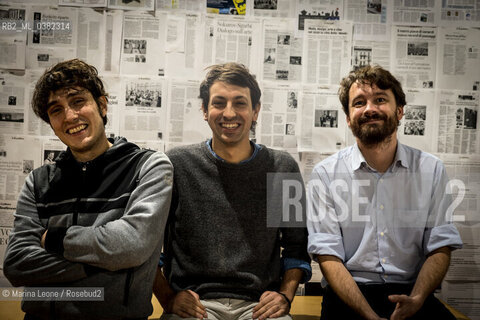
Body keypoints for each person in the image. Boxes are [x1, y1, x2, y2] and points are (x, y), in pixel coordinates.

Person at [3, 59, 173, 320]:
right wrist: (110, 264)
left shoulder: (148, 167)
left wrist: (54, 240)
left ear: (102, 104)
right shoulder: (38, 182)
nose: (70, 116)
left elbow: (132, 245)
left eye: (78, 101)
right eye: (56, 110)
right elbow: (16, 264)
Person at [153, 62, 311, 320]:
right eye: (218, 103)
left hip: (259, 306)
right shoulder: (177, 165)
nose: (229, 113)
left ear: (255, 111)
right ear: (204, 110)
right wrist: (167, 298)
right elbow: (146, 246)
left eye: (240, 103)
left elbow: (296, 247)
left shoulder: (282, 168)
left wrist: (284, 296)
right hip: (196, 305)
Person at [307, 65, 462, 320]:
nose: (370, 109)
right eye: (359, 103)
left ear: (399, 111)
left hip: (412, 295)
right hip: (349, 297)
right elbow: (328, 254)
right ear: (348, 117)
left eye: (380, 99)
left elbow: (440, 245)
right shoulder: (326, 175)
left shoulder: (431, 169)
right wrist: (368, 315)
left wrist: (417, 299)